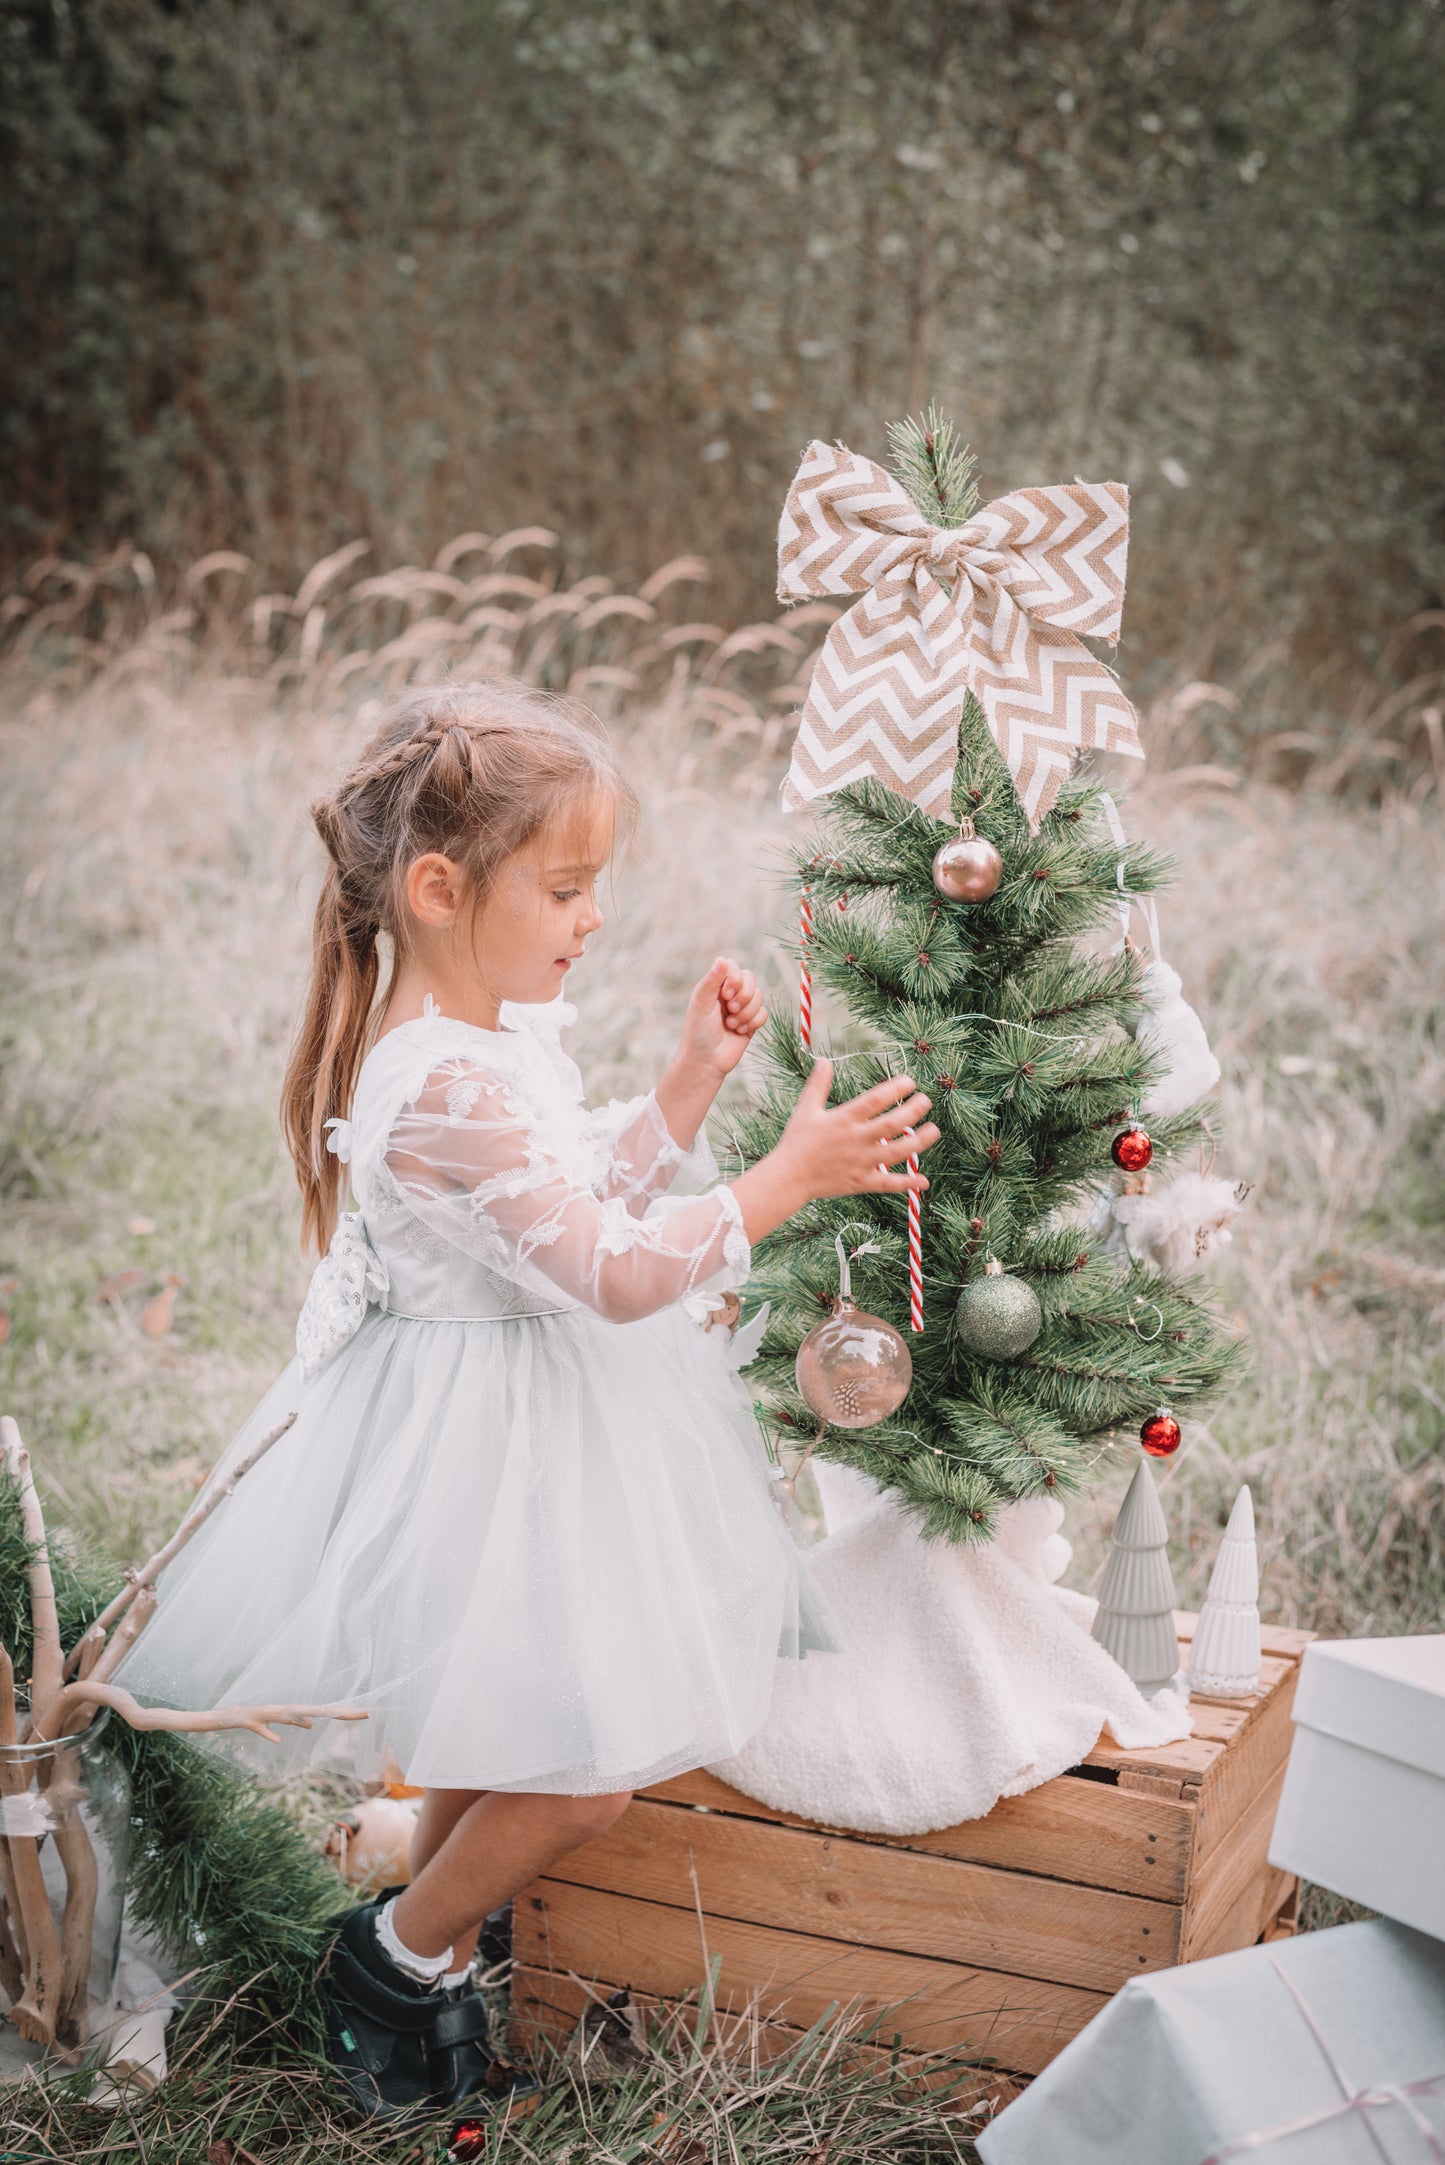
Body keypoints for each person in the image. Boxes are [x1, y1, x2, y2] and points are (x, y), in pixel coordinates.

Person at [116, 679, 938, 2125]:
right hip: (483, 1450)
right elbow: (610, 1270)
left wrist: (683, 1090)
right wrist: (777, 1181)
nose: (593, 915)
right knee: (581, 1769)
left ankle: (435, 1934)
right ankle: (392, 1955)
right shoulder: (440, 1084)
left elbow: (563, 1210)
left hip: (533, 1425)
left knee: (497, 1730)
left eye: (592, 885)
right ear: (439, 888)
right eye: (563, 885)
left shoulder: (488, 1044)